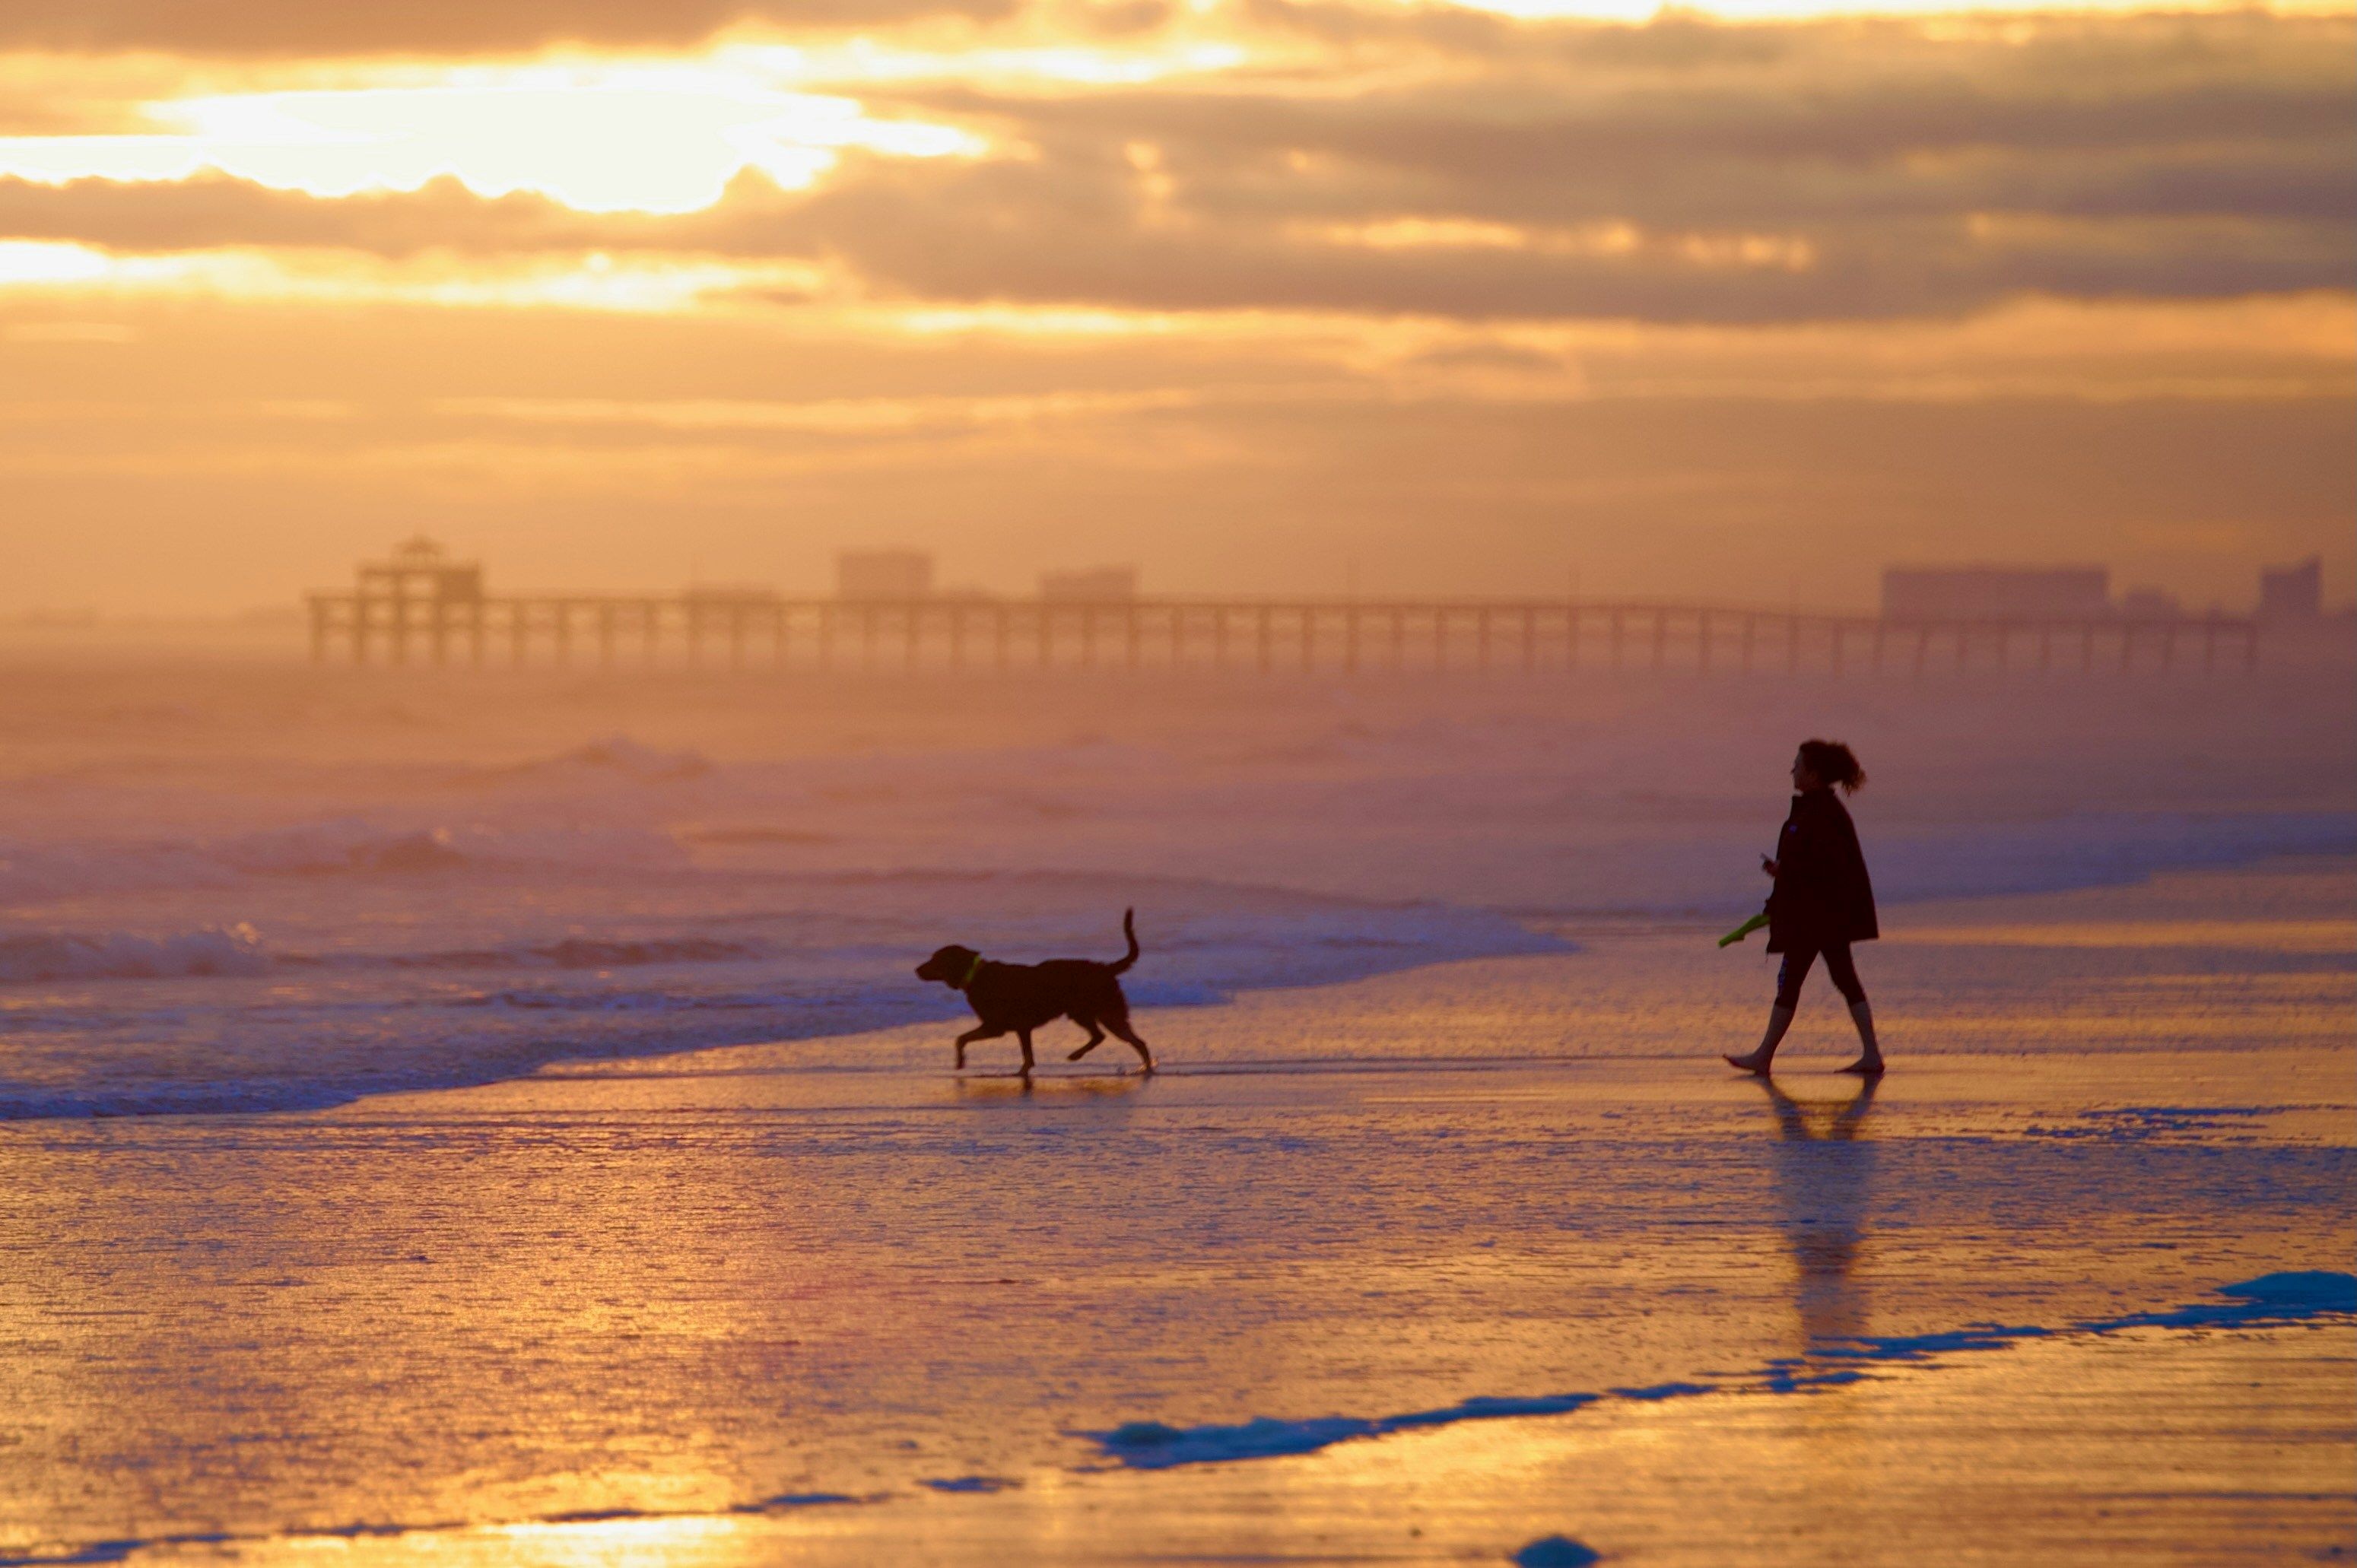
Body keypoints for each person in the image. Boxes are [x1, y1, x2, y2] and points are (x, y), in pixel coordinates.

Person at [1723, 739, 1883, 1076]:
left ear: (1812, 773)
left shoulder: (1823, 814)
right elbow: (1809, 865)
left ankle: (1765, 1056)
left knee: (1798, 980)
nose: (1792, 770)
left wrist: (1784, 871)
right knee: (1833, 979)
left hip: (1819, 918)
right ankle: (1869, 1055)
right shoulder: (1813, 810)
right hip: (1818, 916)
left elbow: (1827, 869)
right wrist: (1778, 890)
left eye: (1797, 764)